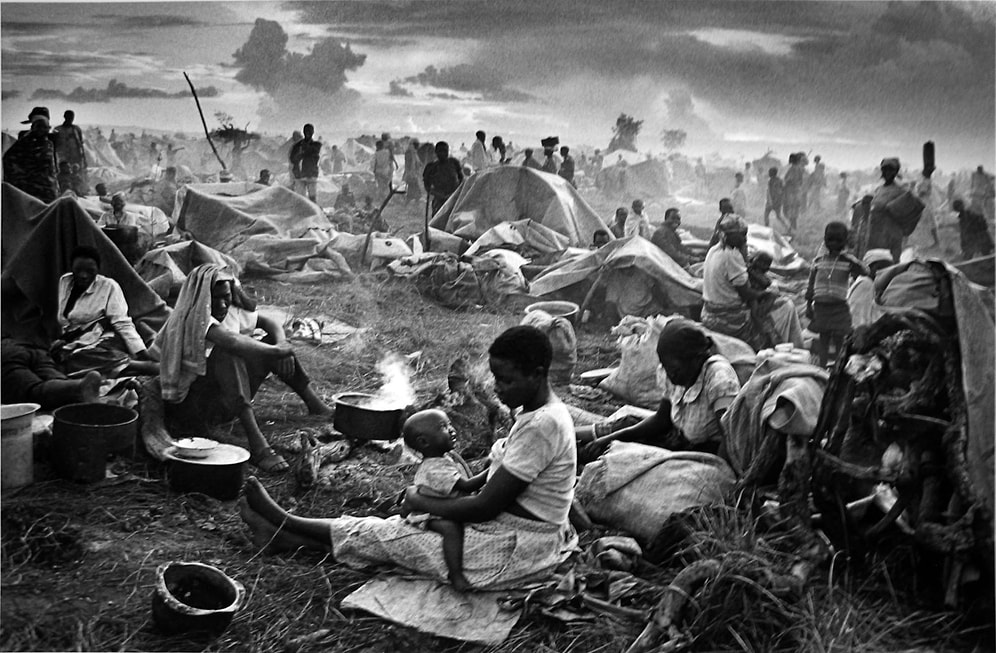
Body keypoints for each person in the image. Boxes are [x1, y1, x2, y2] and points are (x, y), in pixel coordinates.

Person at [237, 325, 578, 591]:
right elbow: (492, 485)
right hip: (511, 530)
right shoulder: (537, 415)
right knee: (393, 532)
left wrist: (419, 500)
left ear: (537, 373)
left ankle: (285, 523)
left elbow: (484, 506)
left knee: (394, 536)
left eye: (506, 379)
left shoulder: (542, 425)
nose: (498, 387)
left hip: (515, 549)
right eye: (496, 377)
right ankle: (286, 535)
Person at [152, 264, 332, 473]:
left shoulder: (228, 312)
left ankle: (315, 404)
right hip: (192, 408)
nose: (221, 304)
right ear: (201, 298)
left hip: (224, 401)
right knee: (229, 352)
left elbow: (270, 322)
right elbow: (232, 341)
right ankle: (259, 447)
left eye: (225, 297)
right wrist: (278, 352)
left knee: (271, 340)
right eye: (214, 298)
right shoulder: (193, 317)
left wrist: (281, 344)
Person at [577, 318, 740, 462]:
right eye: (666, 368)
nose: (670, 375)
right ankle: (571, 442)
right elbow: (661, 420)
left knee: (627, 458)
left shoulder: (720, 379)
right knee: (625, 427)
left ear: (696, 359)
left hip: (703, 454)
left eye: (675, 369)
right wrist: (609, 439)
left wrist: (719, 473)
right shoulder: (672, 373)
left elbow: (730, 438)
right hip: (677, 439)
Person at [402, 409, 485, 591]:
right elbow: (466, 485)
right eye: (443, 427)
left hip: (443, 505)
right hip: (429, 513)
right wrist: (495, 467)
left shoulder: (445, 458)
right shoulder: (435, 468)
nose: (452, 429)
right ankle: (456, 575)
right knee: (451, 529)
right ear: (424, 442)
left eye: (449, 424)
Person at [52, 245, 157, 377]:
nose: (83, 275)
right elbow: (65, 322)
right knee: (61, 359)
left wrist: (141, 352)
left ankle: (144, 367)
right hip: (76, 342)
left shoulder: (109, 286)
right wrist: (64, 340)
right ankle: (121, 370)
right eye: (78, 270)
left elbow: (122, 323)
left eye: (90, 270)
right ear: (71, 268)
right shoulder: (65, 281)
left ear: (98, 269)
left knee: (81, 356)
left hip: (105, 339)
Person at [701, 215, 772, 351]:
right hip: (727, 318)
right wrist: (764, 294)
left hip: (708, 312)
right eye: (741, 236)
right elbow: (746, 293)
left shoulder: (714, 250)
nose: (744, 239)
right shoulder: (732, 256)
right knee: (766, 323)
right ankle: (762, 350)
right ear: (730, 237)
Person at [806, 222, 870, 367]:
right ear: (825, 240)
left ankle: (838, 366)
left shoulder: (847, 262)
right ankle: (822, 366)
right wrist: (809, 306)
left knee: (840, 336)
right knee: (824, 337)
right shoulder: (818, 262)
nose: (834, 244)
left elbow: (865, 272)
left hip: (839, 306)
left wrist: (852, 260)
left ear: (845, 242)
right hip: (821, 306)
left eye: (838, 241)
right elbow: (810, 286)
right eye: (830, 240)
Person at [1, 338, 102, 410]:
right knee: (51, 374)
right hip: (35, 346)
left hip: (7, 350)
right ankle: (74, 388)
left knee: (29, 390)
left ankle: (78, 388)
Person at [3, 107, 59, 202]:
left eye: (46, 127)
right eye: (39, 126)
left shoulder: (49, 143)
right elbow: (9, 162)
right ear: (33, 127)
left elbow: (52, 169)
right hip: (32, 194)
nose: (42, 129)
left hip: (49, 193)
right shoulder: (23, 144)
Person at [865, 158, 907, 262]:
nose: (887, 172)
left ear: (896, 171)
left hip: (891, 233)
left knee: (890, 263)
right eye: (884, 169)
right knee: (873, 261)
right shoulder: (878, 189)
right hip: (875, 232)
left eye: (891, 169)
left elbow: (905, 212)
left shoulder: (901, 190)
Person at [847, 249, 894, 330]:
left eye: (888, 270)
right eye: (879, 268)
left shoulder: (874, 286)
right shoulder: (866, 283)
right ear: (869, 267)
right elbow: (859, 320)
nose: (884, 272)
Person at [422, 141, 464, 216]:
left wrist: (455, 193)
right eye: (440, 151)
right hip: (439, 200)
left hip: (454, 199)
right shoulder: (431, 167)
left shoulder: (454, 163)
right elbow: (427, 185)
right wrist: (437, 194)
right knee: (438, 221)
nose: (443, 153)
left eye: (445, 151)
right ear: (436, 152)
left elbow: (461, 179)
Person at [54, 110, 87, 194]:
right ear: (64, 117)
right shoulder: (57, 130)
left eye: (72, 117)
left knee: (77, 176)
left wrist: (84, 158)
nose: (70, 119)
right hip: (63, 157)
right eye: (68, 117)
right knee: (64, 176)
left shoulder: (76, 129)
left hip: (76, 156)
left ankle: (78, 192)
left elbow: (80, 144)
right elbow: (54, 145)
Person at [289, 124, 321, 203]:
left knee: (312, 197)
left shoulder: (316, 145)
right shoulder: (297, 146)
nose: (308, 133)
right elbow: (292, 159)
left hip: (311, 174)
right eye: (306, 131)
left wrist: (301, 153)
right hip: (299, 174)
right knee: (301, 199)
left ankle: (314, 213)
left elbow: (312, 152)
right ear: (303, 132)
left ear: (313, 132)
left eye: (309, 131)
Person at [782, 153, 804, 234]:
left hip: (791, 192)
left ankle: (792, 229)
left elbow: (788, 179)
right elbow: (801, 182)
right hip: (797, 191)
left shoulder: (792, 169)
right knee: (794, 211)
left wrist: (785, 185)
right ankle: (793, 229)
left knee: (790, 210)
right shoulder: (799, 169)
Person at [403, 139, 423, 204]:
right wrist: (411, 174)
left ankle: (409, 203)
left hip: (413, 174)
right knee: (415, 191)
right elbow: (410, 165)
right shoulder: (410, 153)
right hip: (412, 175)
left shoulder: (412, 152)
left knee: (413, 190)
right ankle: (409, 204)